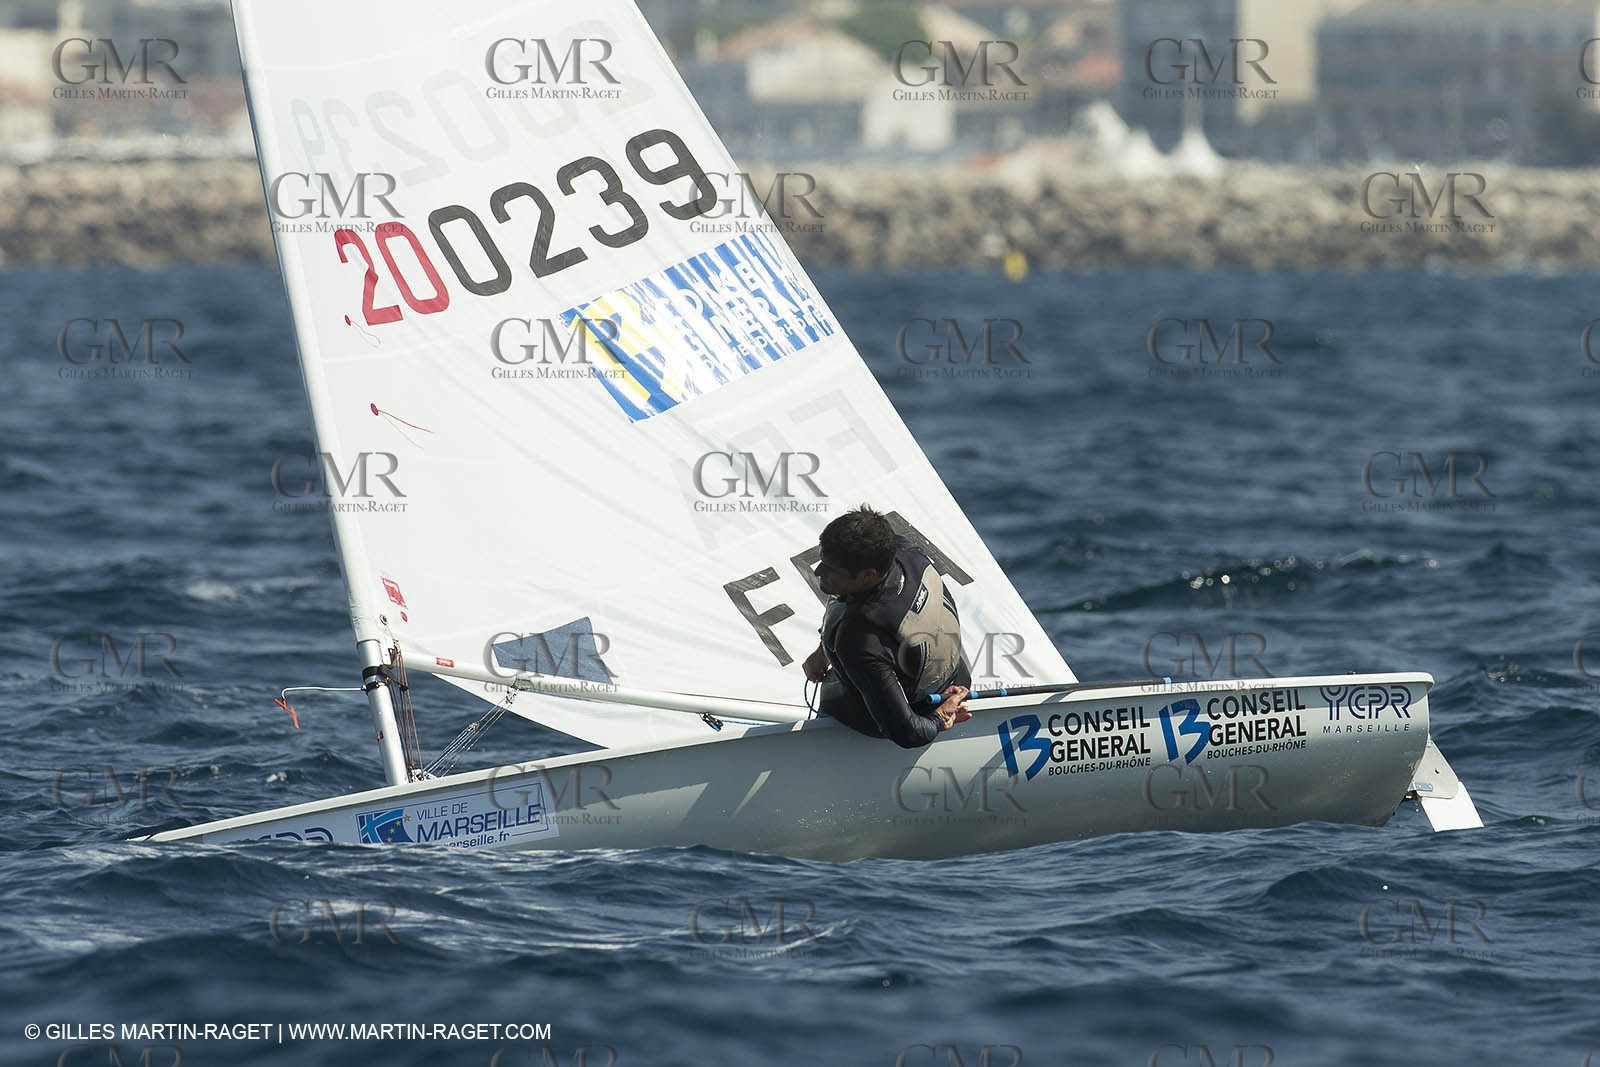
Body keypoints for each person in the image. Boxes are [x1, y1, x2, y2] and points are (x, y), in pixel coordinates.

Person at [801, 506, 972, 747]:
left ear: (867, 576)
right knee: (842, 599)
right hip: (957, 677)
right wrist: (823, 653)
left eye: (831, 569)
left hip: (911, 714)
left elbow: (908, 734)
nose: (818, 571)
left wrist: (938, 718)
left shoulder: (859, 639)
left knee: (834, 692)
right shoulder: (905, 550)